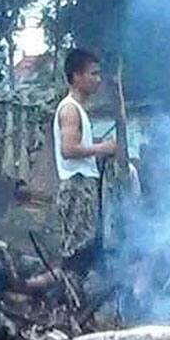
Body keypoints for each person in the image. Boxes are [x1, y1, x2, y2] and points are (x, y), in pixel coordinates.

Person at [53, 49, 117, 279]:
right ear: (76, 76)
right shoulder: (70, 109)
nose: (98, 79)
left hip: (83, 186)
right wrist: (102, 149)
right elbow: (68, 149)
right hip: (76, 187)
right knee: (77, 251)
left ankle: (78, 300)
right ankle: (69, 301)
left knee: (86, 249)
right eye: (93, 74)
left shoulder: (77, 109)